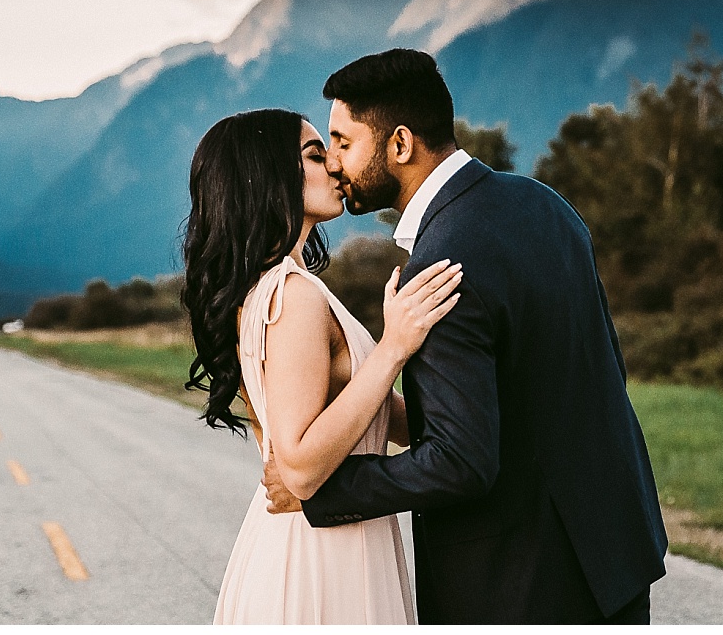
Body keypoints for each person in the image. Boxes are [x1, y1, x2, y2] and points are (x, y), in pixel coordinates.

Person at [260, 49, 668, 624]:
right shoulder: (545, 204)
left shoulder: (441, 260)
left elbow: (460, 461)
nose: (335, 166)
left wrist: (322, 491)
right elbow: (568, 376)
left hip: (517, 582)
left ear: (400, 145)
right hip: (614, 553)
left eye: (345, 144)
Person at [182, 108, 463, 624]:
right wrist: (393, 347)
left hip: (329, 540)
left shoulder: (280, 288)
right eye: (315, 154)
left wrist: (470, 420)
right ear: (269, 177)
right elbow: (301, 466)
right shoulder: (291, 295)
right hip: (318, 557)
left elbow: (371, 416)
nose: (336, 165)